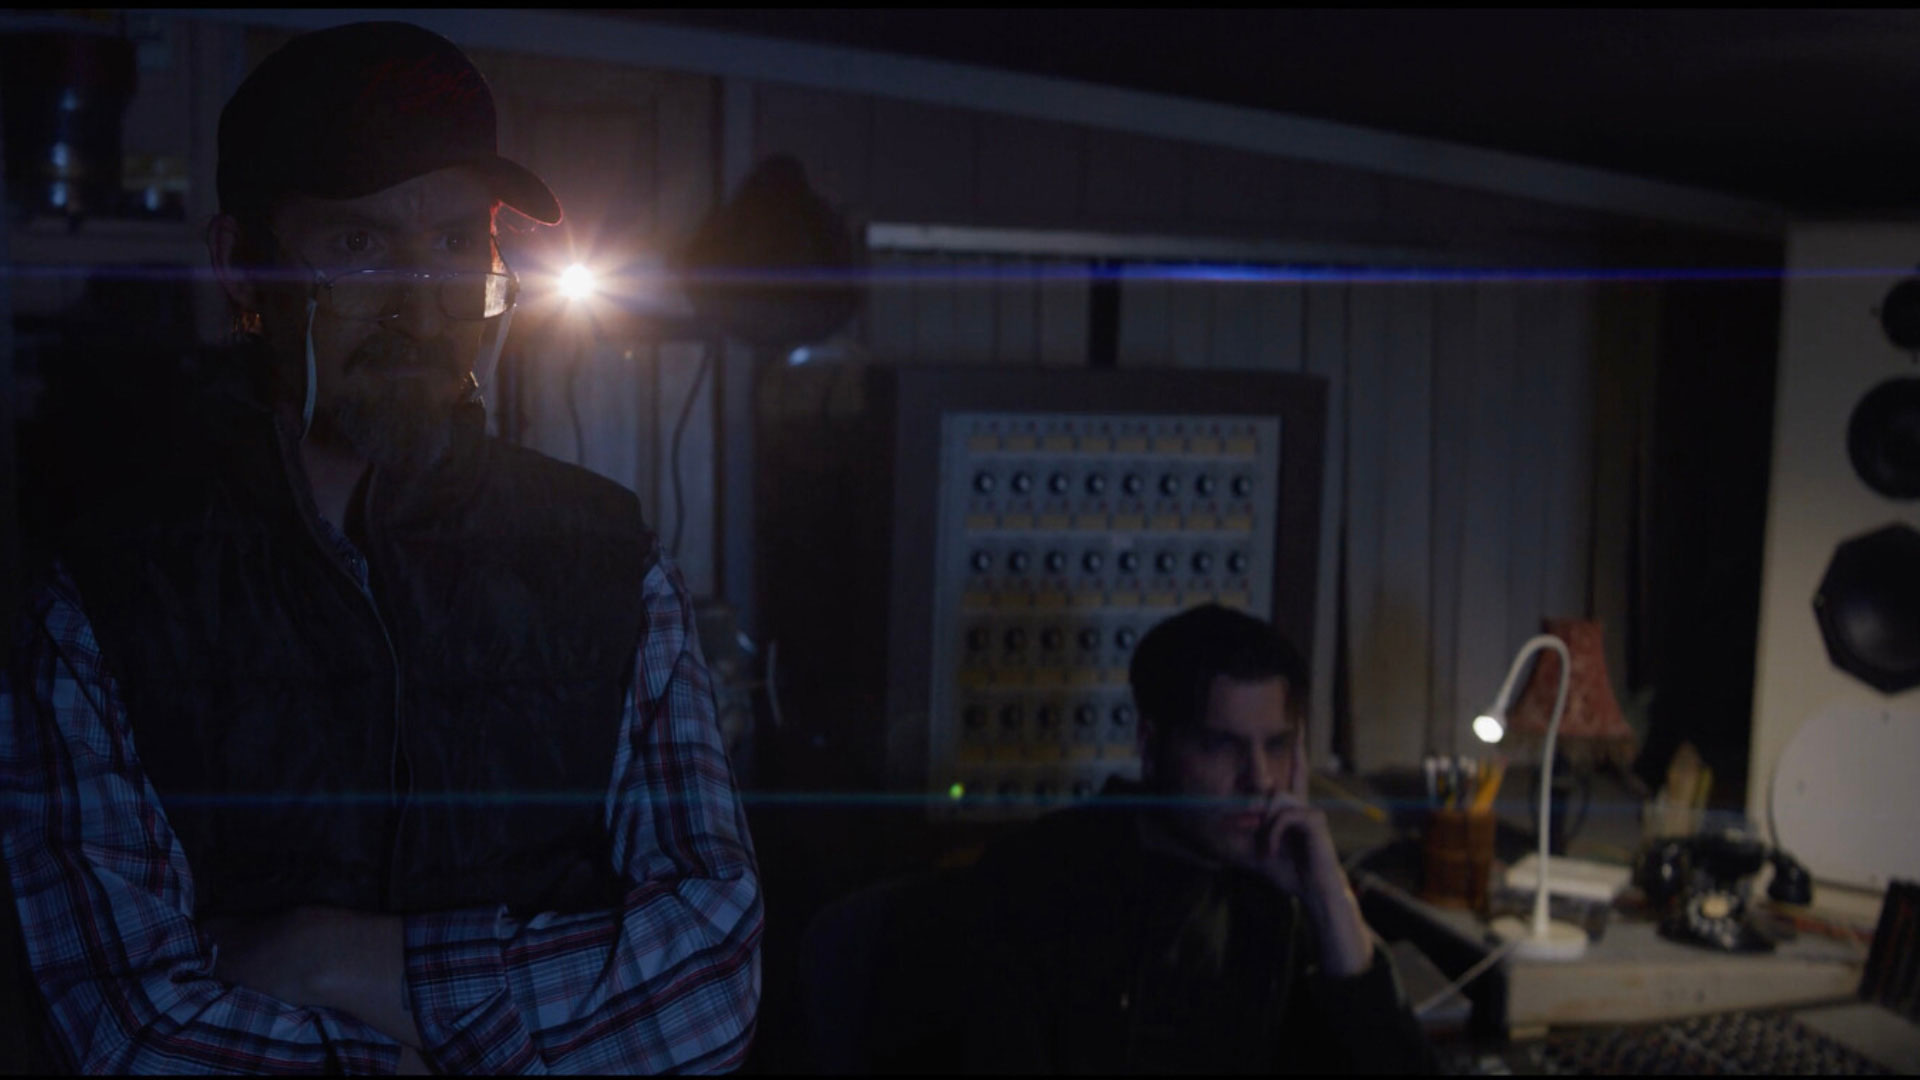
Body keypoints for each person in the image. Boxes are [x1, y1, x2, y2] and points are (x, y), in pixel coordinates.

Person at [0, 22, 761, 1074]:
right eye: (358, 245)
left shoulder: (610, 566)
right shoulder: (105, 607)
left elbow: (710, 984)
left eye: (452, 243)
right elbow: (124, 1034)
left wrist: (332, 960)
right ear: (242, 269)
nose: (419, 306)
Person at [955, 604, 1434, 1074]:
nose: (1259, 779)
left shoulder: (1283, 896)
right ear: (1151, 745)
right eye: (1221, 745)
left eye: (1277, 745)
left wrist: (1331, 902)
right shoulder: (1039, 884)